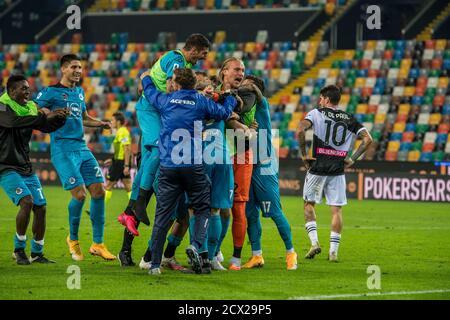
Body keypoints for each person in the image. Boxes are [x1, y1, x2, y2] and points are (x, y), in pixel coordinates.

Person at [117, 33, 210, 268]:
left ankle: (155, 255)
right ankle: (131, 227)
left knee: (170, 206)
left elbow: (161, 81)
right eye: (203, 53)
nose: (204, 59)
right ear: (194, 49)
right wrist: (196, 97)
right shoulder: (177, 63)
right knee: (155, 159)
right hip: (156, 123)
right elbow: (173, 88)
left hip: (170, 149)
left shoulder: (179, 63)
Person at [140, 68, 238, 275]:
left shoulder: (165, 100)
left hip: (169, 167)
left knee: (163, 216)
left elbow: (149, 91)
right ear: (194, 83)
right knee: (202, 208)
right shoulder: (201, 101)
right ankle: (195, 246)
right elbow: (224, 113)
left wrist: (146, 77)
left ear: (175, 83)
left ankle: (155, 265)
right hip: (193, 166)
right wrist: (229, 98)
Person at [35, 54, 116, 261]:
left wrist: (102, 123)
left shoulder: (79, 92)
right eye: (74, 67)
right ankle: (72, 239)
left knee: (98, 191)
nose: (78, 70)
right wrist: (47, 113)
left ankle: (98, 244)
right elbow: (35, 108)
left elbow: (84, 118)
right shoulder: (51, 91)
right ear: (63, 69)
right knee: (80, 195)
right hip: (62, 148)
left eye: (80, 67)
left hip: (82, 147)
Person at [297, 85, 373, 262]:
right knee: (336, 210)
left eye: (321, 98)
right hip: (338, 168)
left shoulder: (316, 113)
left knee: (309, 205)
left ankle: (315, 243)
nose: (319, 101)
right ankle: (333, 252)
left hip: (318, 166)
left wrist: (303, 155)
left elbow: (300, 129)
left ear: (327, 100)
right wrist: (352, 159)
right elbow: (368, 139)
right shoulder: (349, 118)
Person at [0, 75, 68, 264]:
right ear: (11, 91)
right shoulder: (2, 106)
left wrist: (59, 118)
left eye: (28, 89)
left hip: (25, 166)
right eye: (23, 89)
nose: (28, 92)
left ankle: (37, 253)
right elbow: (13, 122)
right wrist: (44, 115)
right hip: (6, 166)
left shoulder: (29, 107)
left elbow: (43, 125)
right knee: (27, 202)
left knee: (41, 207)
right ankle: (18, 249)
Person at [240, 75, 298, 270]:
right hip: (246, 163)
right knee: (250, 214)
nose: (243, 87)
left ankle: (291, 253)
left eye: (247, 85)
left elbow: (260, 96)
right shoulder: (241, 109)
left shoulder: (261, 106)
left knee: (274, 212)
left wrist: (250, 88)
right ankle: (257, 256)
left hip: (264, 166)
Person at [218, 57, 257, 270]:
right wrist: (240, 124)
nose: (240, 73)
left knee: (238, 207)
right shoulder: (211, 90)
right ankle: (212, 251)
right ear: (224, 71)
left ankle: (236, 258)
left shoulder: (248, 93)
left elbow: (235, 112)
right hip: (215, 154)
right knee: (212, 205)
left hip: (241, 154)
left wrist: (230, 117)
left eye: (243, 69)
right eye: (236, 69)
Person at [104, 112, 132, 203]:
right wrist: (112, 160)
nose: (111, 122)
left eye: (112, 120)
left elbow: (127, 148)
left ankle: (98, 210)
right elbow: (121, 149)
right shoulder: (120, 131)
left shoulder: (123, 132)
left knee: (108, 185)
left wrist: (126, 165)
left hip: (121, 162)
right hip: (120, 161)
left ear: (119, 122)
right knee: (128, 186)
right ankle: (135, 208)